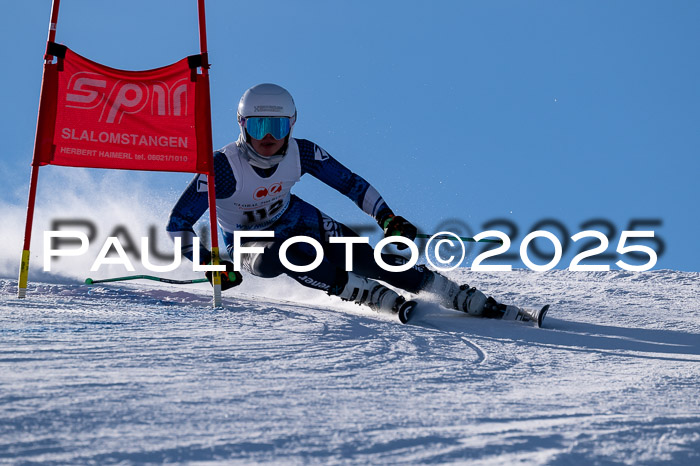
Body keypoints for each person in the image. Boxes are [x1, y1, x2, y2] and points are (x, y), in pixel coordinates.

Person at [167, 83, 538, 323]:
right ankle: (367, 295)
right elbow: (178, 223)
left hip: (298, 217)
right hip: (251, 243)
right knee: (289, 252)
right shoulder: (224, 167)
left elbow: (352, 185)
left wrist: (387, 218)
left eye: (277, 128)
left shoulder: (303, 153)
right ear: (242, 126)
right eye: (259, 127)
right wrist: (211, 265)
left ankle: (461, 297)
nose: (268, 139)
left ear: (291, 126)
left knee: (372, 259)